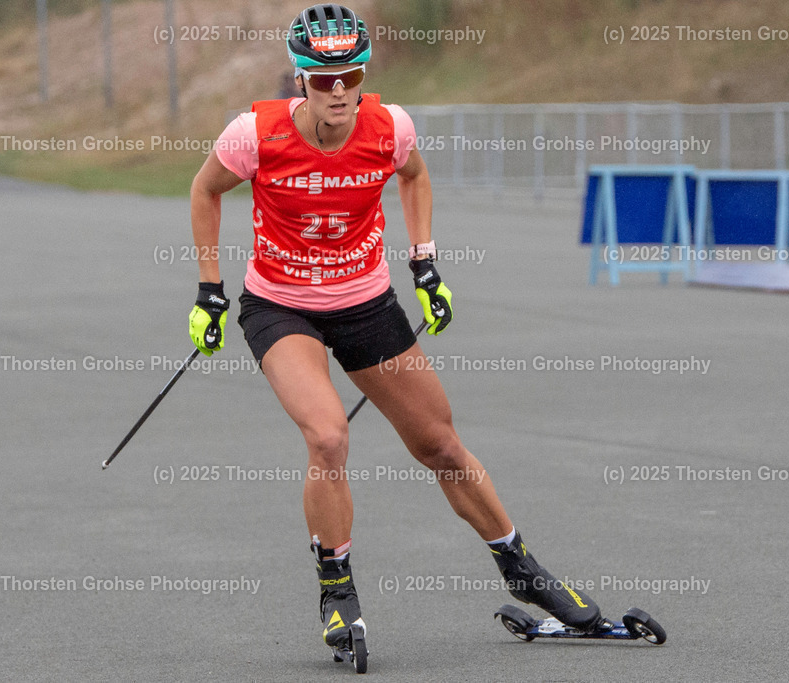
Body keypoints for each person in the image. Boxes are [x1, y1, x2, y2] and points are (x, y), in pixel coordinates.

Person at [188, 3, 603, 659]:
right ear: (299, 80)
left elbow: (414, 177)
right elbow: (204, 191)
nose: (337, 92)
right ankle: (336, 589)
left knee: (439, 443)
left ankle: (521, 566)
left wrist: (425, 262)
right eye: (321, 79)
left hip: (365, 302)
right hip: (281, 306)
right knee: (328, 434)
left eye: (348, 77)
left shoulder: (390, 128)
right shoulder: (253, 134)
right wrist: (210, 290)